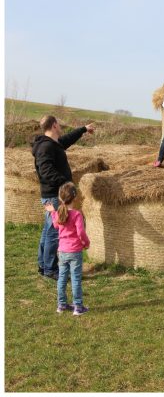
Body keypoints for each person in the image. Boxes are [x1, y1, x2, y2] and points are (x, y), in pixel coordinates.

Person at [31, 115, 95, 280]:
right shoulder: (45, 147)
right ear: (54, 125)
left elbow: (66, 140)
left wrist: (83, 129)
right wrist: (66, 183)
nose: (60, 127)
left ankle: (43, 265)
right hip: (53, 195)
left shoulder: (52, 144)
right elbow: (46, 172)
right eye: (58, 124)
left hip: (53, 194)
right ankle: (51, 269)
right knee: (53, 233)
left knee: (48, 231)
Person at [45, 182, 90, 316]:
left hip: (62, 251)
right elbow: (81, 232)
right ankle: (78, 307)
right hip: (75, 252)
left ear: (60, 197)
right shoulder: (76, 214)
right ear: (75, 197)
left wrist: (53, 212)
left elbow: (56, 225)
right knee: (75, 278)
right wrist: (86, 243)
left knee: (62, 278)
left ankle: (62, 305)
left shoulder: (59, 212)